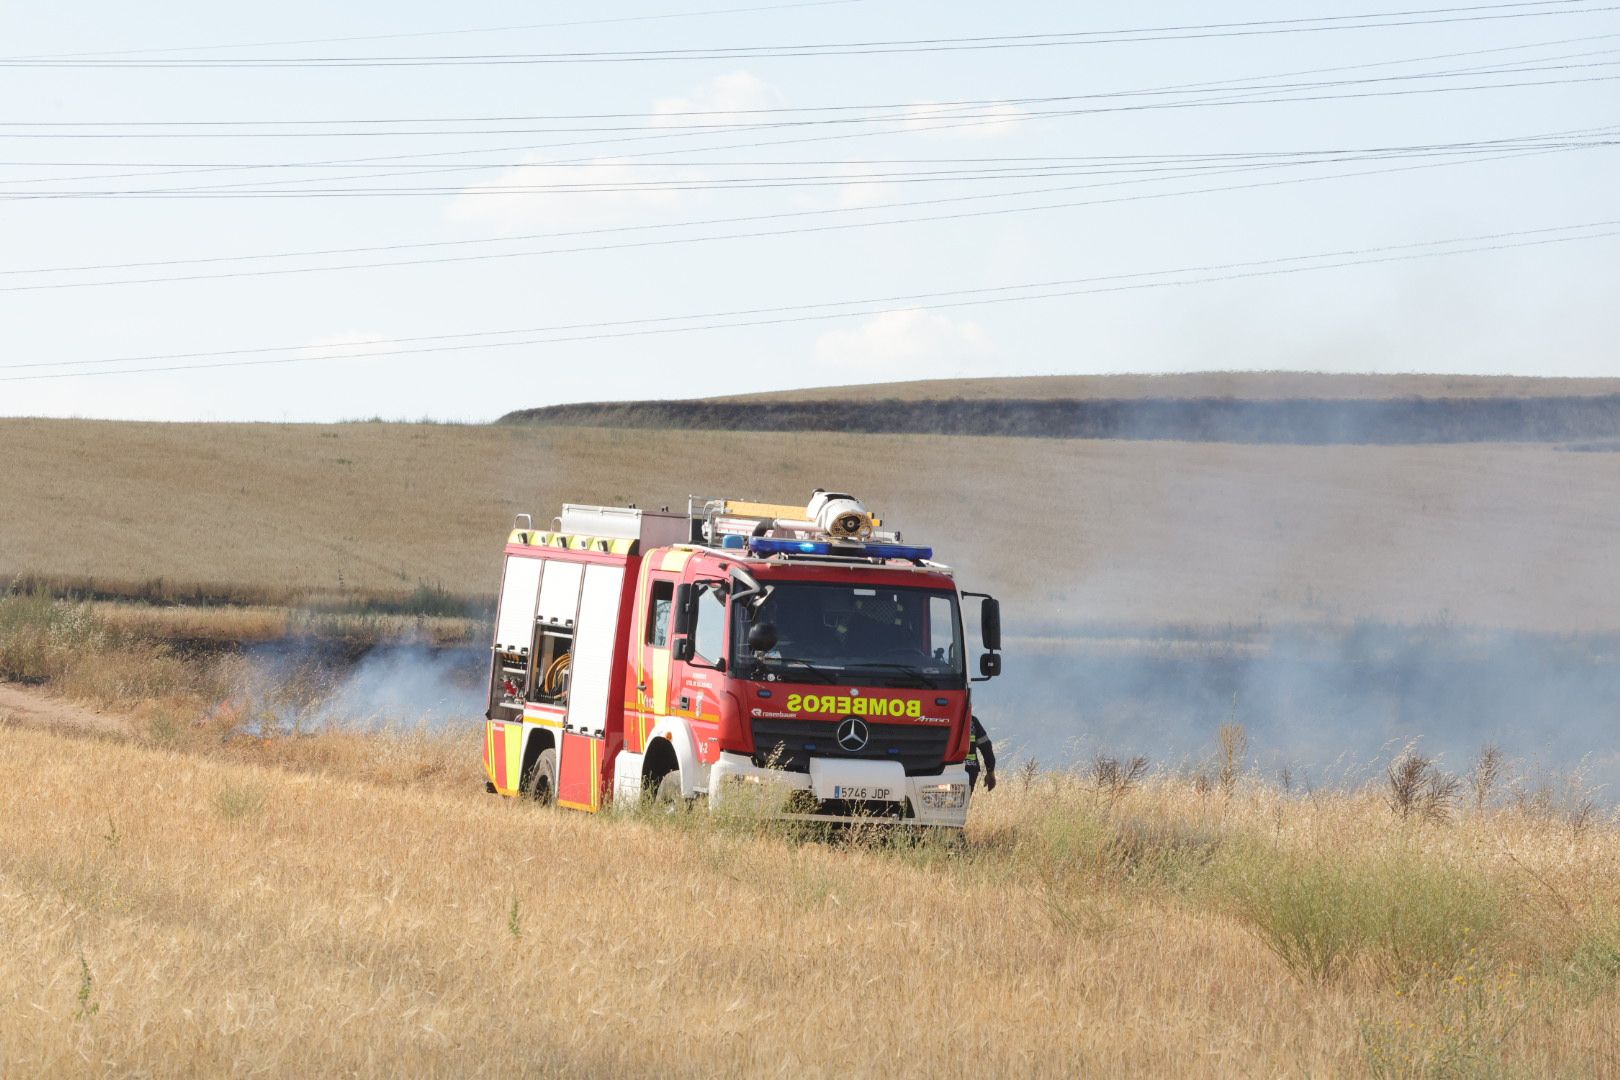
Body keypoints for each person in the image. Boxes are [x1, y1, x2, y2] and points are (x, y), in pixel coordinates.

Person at [965, 714, 997, 792]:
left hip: (944, 770)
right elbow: (986, 747)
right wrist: (990, 771)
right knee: (963, 798)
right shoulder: (972, 721)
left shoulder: (937, 718)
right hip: (970, 769)